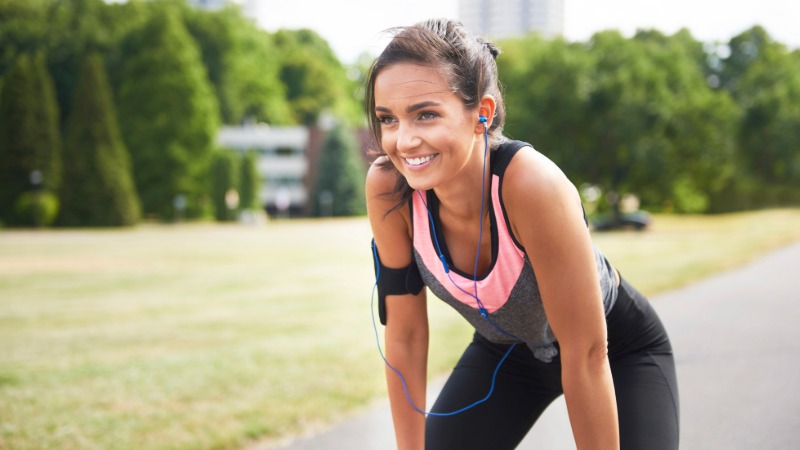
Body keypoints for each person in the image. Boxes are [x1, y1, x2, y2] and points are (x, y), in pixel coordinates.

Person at [365, 18, 679, 450]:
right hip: (506, 353)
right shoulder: (389, 187)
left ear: (482, 114)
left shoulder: (532, 185)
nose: (404, 141)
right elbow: (405, 335)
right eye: (388, 119)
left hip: (614, 349)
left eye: (426, 114)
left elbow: (587, 354)